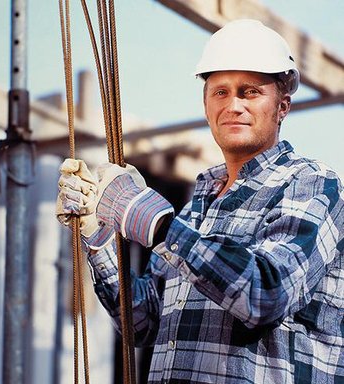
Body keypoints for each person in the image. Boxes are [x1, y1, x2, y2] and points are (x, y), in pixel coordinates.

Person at [57, 19, 343, 383]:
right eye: (220, 92)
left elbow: (266, 293)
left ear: (283, 106)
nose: (233, 105)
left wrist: (152, 221)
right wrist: (98, 237)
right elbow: (143, 323)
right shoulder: (199, 205)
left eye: (250, 91)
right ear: (206, 105)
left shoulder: (311, 184)